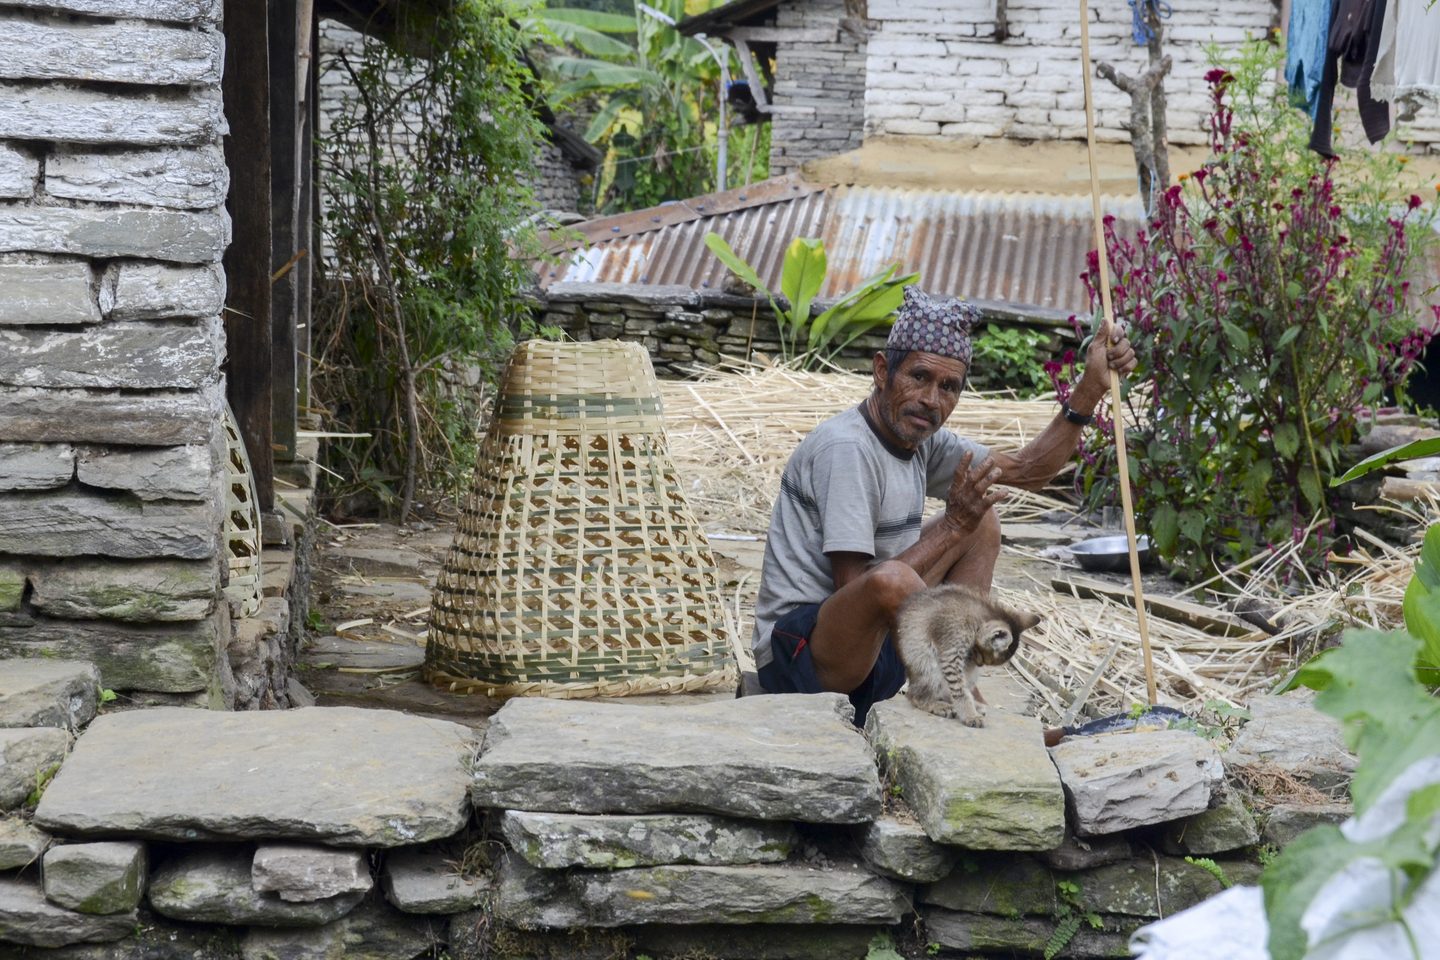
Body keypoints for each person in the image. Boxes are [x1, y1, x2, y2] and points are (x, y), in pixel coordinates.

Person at [751, 286, 1138, 725]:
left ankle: (959, 686)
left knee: (982, 522)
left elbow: (1030, 470)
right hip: (800, 662)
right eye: (918, 377)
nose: (931, 400)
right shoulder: (847, 449)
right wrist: (952, 525)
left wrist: (1090, 388)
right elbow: (858, 588)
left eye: (948, 387)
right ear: (882, 371)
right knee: (900, 574)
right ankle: (956, 693)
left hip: (875, 655)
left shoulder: (921, 440)